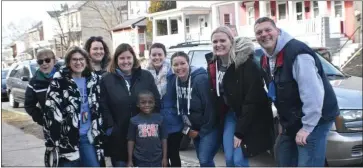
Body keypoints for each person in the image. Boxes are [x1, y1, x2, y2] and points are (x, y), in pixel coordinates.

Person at [254, 17, 339, 167]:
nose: (264, 34)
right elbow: (278, 94)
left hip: (316, 118)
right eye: (259, 32)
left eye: (268, 30)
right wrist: (283, 120)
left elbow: (313, 94)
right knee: (283, 156)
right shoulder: (265, 59)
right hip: (293, 119)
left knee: (308, 162)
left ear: (278, 31)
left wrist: (307, 128)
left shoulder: (297, 54)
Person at [205, 26, 275, 167]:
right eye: (215, 41)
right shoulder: (213, 64)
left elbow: (252, 101)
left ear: (231, 41)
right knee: (229, 159)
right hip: (230, 114)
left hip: (248, 115)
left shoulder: (246, 64)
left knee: (239, 160)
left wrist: (240, 132)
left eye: (222, 40)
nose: (218, 44)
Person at [100, 43, 160, 167]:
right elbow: (103, 105)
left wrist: (151, 123)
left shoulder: (145, 76)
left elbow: (156, 100)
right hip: (119, 135)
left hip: (143, 134)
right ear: (116, 60)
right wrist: (111, 128)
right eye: (122, 58)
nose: (125, 61)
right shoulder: (106, 79)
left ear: (134, 58)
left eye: (129, 58)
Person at [43, 46, 105, 167]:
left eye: (81, 59)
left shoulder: (94, 80)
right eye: (74, 59)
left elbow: (100, 107)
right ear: (68, 62)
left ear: (86, 61)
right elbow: (50, 113)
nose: (78, 62)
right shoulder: (58, 82)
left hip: (88, 136)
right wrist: (51, 141)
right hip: (66, 140)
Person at [171, 51, 220, 167]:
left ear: (189, 63)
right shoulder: (176, 81)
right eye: (175, 65)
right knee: (203, 160)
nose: (179, 67)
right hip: (193, 128)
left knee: (204, 159)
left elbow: (210, 108)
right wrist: (188, 130)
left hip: (209, 127)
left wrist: (201, 132)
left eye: (182, 63)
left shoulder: (200, 80)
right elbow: (179, 109)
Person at [145, 43, 183, 167]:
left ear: (165, 55)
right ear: (149, 56)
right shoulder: (145, 75)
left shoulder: (173, 72)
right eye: (154, 55)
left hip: (173, 121)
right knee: (159, 155)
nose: (157, 57)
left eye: (159, 54)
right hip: (154, 121)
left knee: (173, 154)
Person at [127, 90, 168, 167]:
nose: (147, 105)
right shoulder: (133, 120)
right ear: (138, 104)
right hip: (140, 159)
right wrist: (130, 160)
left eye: (150, 102)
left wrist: (164, 158)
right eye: (143, 102)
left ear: (154, 103)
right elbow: (131, 140)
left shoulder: (160, 119)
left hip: (157, 159)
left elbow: (164, 139)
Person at [25, 49, 61, 126]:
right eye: (40, 62)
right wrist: (42, 120)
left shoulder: (64, 76)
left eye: (47, 60)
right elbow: (29, 105)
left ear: (54, 61)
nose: (44, 63)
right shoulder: (34, 82)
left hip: (71, 124)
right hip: (51, 127)